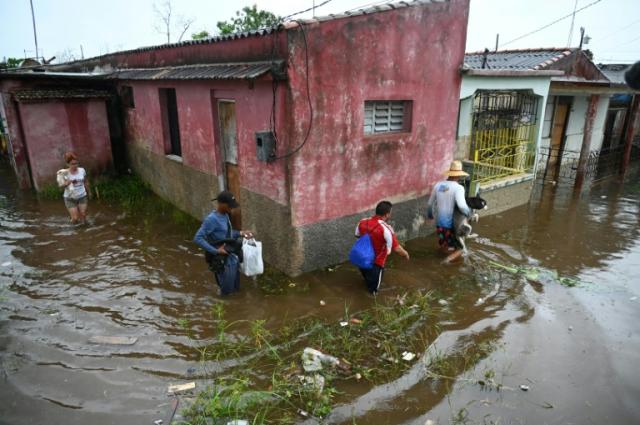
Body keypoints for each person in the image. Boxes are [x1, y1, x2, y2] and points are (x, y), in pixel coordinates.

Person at [194, 191, 253, 295]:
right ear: (221, 204)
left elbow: (227, 234)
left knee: (236, 290)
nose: (232, 208)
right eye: (230, 205)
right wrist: (216, 251)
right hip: (222, 262)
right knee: (226, 294)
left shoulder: (225, 215)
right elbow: (198, 238)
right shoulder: (212, 219)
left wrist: (241, 233)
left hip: (231, 258)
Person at [355, 201, 410, 295]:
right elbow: (397, 249)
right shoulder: (386, 228)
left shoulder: (362, 222)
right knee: (373, 293)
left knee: (366, 280)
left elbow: (357, 235)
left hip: (361, 259)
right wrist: (406, 254)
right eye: (390, 213)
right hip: (376, 264)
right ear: (387, 214)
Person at [426, 160, 471, 262]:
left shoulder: (438, 185)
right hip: (451, 225)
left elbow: (429, 204)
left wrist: (430, 216)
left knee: (444, 243)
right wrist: (469, 214)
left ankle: (437, 258)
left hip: (439, 223)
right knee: (460, 249)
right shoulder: (458, 188)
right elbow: (462, 206)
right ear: (459, 175)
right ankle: (445, 262)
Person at [57, 152, 90, 224]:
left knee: (83, 214)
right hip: (70, 198)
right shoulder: (64, 173)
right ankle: (73, 229)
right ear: (68, 164)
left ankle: (84, 229)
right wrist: (67, 183)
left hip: (82, 196)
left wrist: (89, 192)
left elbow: (85, 181)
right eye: (72, 164)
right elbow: (60, 187)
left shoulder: (82, 170)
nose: (75, 165)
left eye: (76, 163)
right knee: (75, 218)